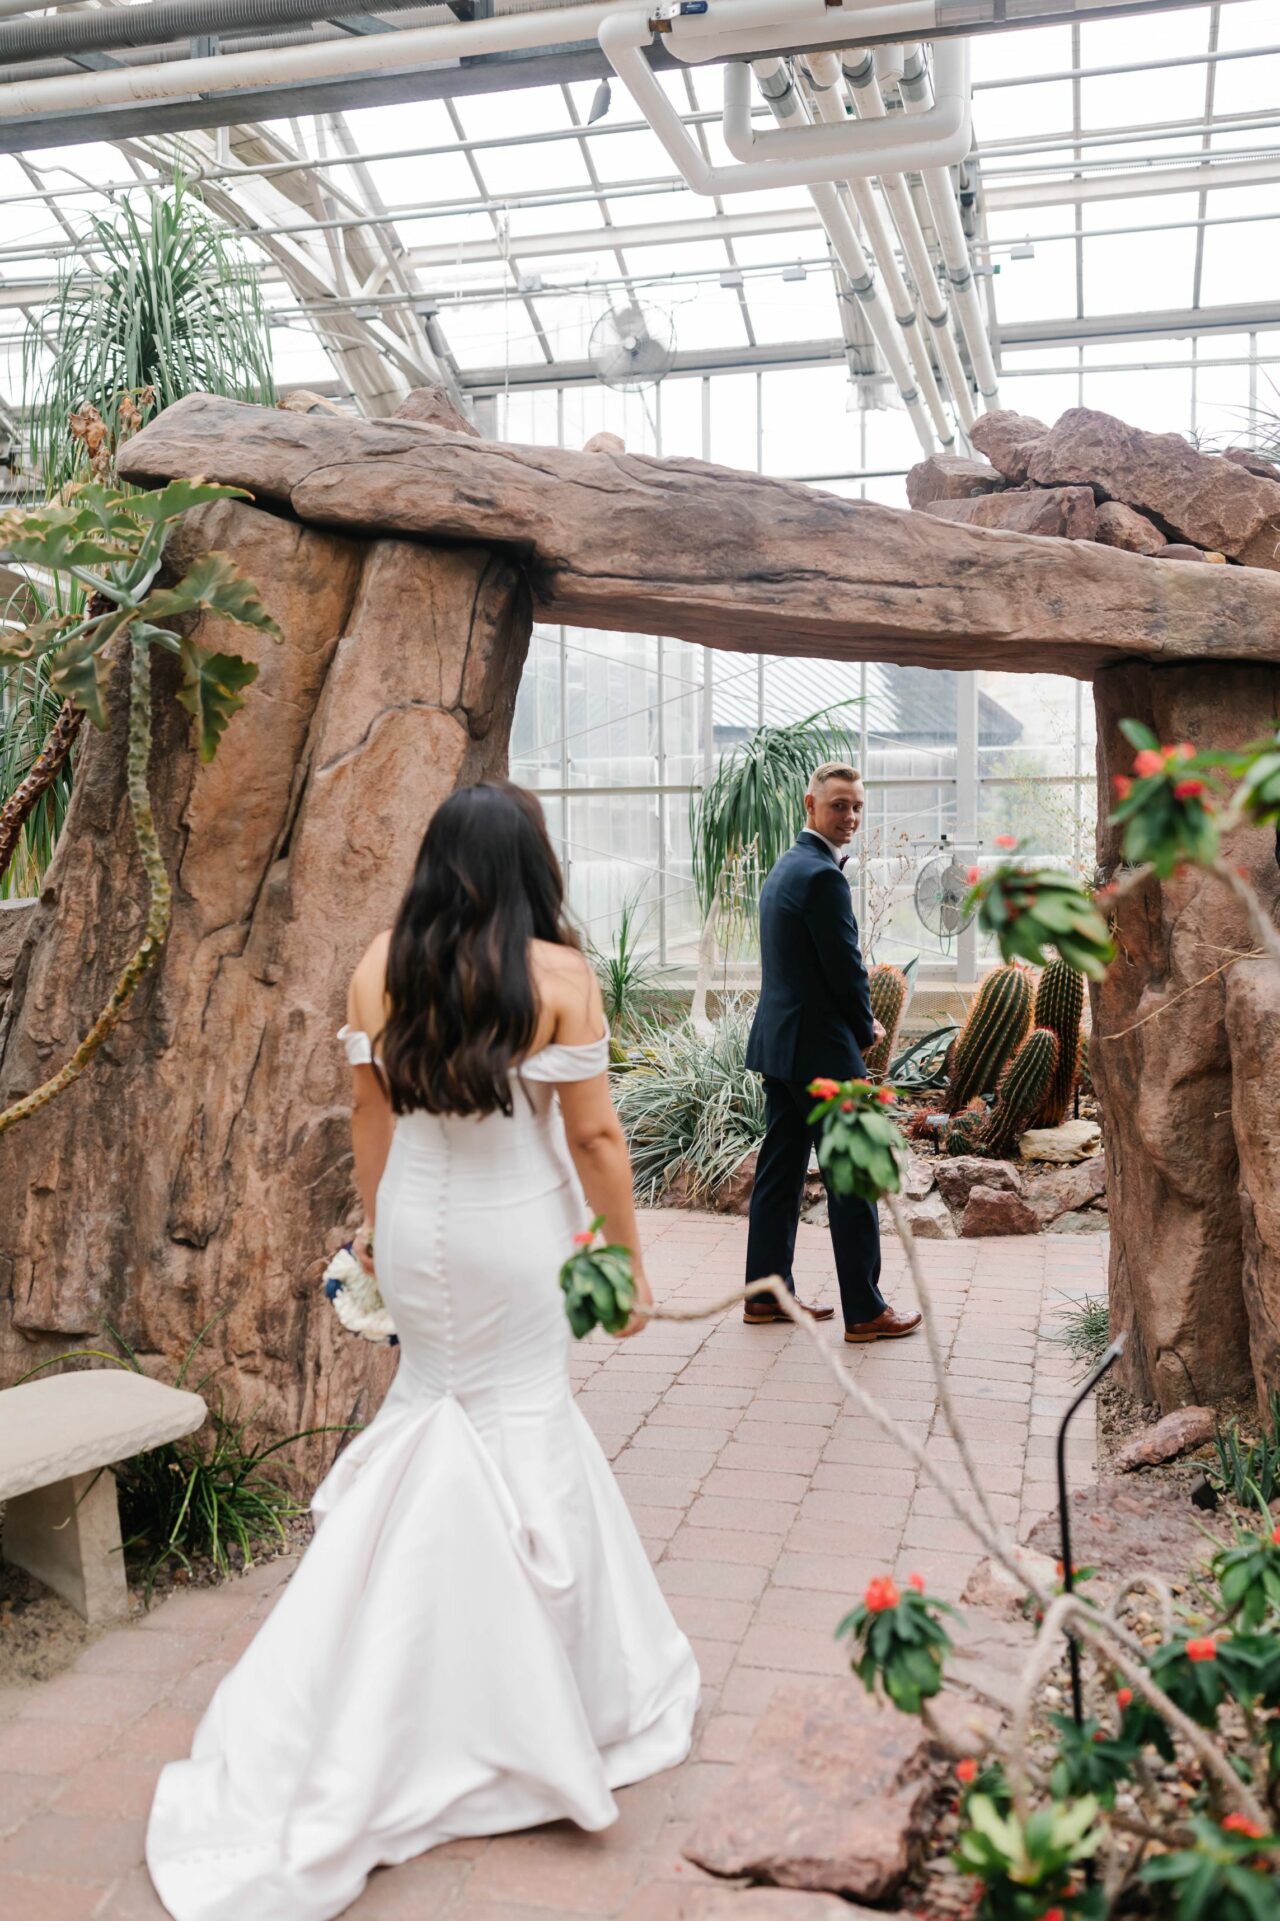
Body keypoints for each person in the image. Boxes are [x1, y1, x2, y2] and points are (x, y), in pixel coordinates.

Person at [146, 782, 700, 1921]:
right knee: (522, 1416)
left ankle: (391, 1670)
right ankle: (531, 1702)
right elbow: (592, 1135)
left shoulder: (376, 964)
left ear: (435, 863)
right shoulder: (558, 976)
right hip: (515, 1229)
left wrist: (377, 1228)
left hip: (419, 1218)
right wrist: (626, 1259)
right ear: (530, 866)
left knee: (434, 1408)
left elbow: (369, 1115)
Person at [743, 761, 922, 1345]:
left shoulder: (787, 867)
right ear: (810, 805)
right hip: (819, 1051)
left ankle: (766, 1296)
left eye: (857, 807)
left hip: (780, 1045)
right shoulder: (822, 876)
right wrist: (864, 1024)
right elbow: (846, 969)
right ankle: (866, 1311)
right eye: (840, 805)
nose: (850, 817)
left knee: (780, 1171)